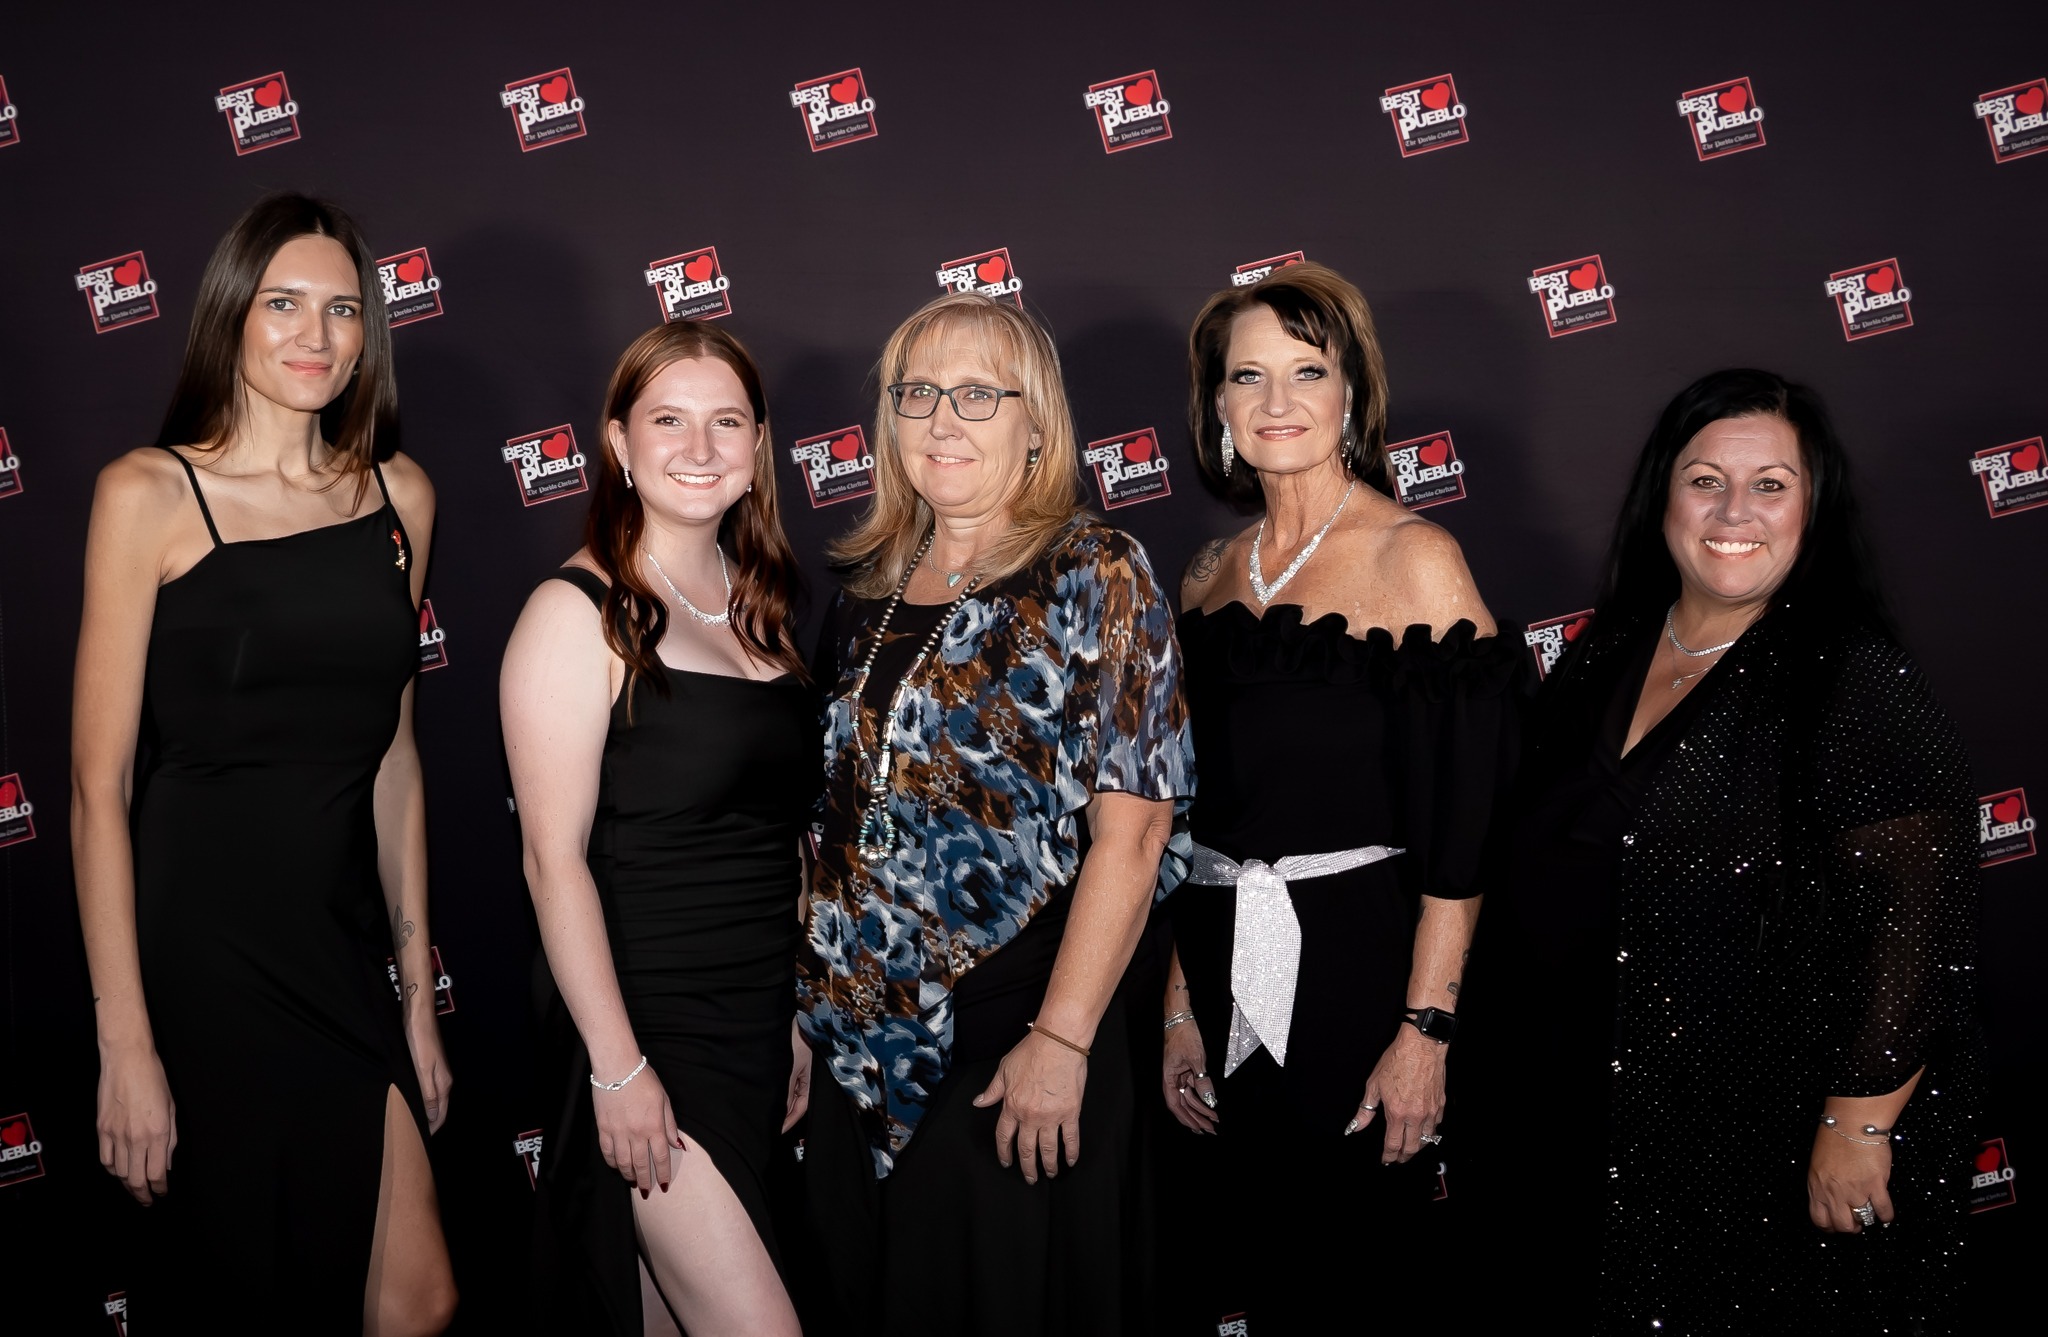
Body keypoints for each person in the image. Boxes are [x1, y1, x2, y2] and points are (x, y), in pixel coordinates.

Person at [1494, 369, 1981, 1331]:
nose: (1733, 513)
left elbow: (1919, 934)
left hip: (1751, 1136)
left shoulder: (1854, 679)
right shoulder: (1607, 649)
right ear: (1663, 496)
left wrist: (1858, 1122)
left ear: (1814, 505)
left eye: (1770, 486)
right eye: (1705, 480)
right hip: (1580, 1105)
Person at [70, 193, 455, 1333]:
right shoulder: (148, 493)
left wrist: (418, 1000)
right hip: (203, 954)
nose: (315, 335)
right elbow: (96, 790)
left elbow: (394, 758)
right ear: (231, 314)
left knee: (418, 1300)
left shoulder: (400, 496)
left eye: (342, 309)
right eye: (283, 303)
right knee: (248, 1291)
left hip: (338, 944)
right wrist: (124, 1041)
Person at [789, 291, 1195, 1337]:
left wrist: (1060, 1038)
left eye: (977, 394)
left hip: (1013, 1039)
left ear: (1036, 424)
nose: (942, 419)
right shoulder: (864, 588)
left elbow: (1135, 834)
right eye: (917, 392)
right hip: (855, 1044)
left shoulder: (1096, 572)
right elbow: (833, 816)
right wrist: (809, 1007)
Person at [1162, 261, 1520, 1330]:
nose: (1276, 400)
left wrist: (1426, 1029)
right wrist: (1178, 1010)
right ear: (1216, 405)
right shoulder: (1204, 575)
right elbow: (1188, 825)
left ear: (1353, 392)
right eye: (1247, 376)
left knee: (1359, 1276)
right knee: (1252, 1273)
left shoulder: (1416, 559)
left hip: (1364, 978)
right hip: (1220, 968)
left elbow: (1466, 829)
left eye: (1306, 371)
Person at [502, 321, 814, 1337]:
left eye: (726, 421)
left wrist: (794, 1019)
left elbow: (777, 838)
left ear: (758, 444)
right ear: (617, 443)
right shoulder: (576, 612)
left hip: (755, 1020)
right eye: (668, 420)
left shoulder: (759, 606)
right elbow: (551, 862)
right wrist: (619, 1065)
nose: (699, 447)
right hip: (647, 1027)